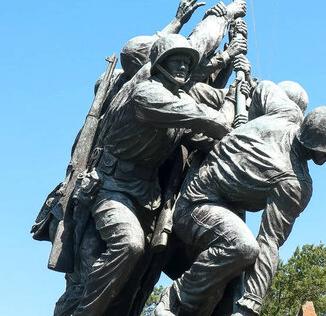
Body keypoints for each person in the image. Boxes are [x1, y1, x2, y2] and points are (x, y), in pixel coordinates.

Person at [69, 33, 233, 316]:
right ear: (159, 64)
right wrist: (231, 103)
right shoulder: (148, 94)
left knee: (138, 278)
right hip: (113, 188)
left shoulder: (177, 98)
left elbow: (203, 136)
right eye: (176, 60)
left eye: (186, 62)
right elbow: (205, 119)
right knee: (128, 244)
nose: (183, 66)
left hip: (148, 196)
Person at [154, 80, 326, 316]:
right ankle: (175, 296)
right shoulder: (295, 184)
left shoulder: (286, 112)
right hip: (195, 204)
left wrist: (250, 300)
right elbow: (268, 243)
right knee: (243, 247)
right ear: (313, 142)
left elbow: (263, 87)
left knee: (234, 271)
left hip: (221, 205)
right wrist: (251, 306)